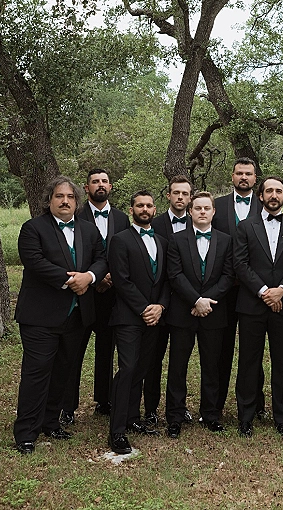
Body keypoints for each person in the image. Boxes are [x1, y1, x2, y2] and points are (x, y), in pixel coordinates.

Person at [13, 176, 107, 454]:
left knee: (64, 372)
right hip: (41, 315)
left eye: (70, 197)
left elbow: (102, 258)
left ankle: (50, 422)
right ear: (49, 200)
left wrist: (89, 276)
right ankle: (26, 433)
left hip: (77, 317)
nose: (65, 201)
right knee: (37, 373)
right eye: (59, 196)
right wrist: (71, 280)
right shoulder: (33, 228)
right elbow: (34, 261)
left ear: (77, 202)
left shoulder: (88, 231)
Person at [234, 176, 283, 437]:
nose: (273, 195)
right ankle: (246, 417)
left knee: (282, 360)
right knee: (249, 361)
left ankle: (281, 416)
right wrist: (265, 292)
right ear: (260, 196)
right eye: (268, 191)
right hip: (252, 304)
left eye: (278, 191)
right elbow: (240, 264)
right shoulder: (245, 226)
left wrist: (282, 291)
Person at [60, 168, 129, 425]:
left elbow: (125, 251)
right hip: (85, 292)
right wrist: (95, 277)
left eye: (104, 181)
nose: (100, 185)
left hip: (113, 294)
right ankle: (68, 405)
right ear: (86, 188)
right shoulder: (75, 216)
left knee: (106, 350)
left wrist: (111, 276)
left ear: (110, 187)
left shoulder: (122, 218)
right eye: (95, 182)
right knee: (75, 350)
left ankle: (104, 400)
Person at [165, 191, 235, 437]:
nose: (202, 212)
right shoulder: (176, 239)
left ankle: (211, 414)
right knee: (177, 366)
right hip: (183, 312)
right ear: (190, 212)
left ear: (214, 212)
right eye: (198, 208)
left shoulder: (226, 240)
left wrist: (207, 301)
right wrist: (195, 300)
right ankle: (174, 416)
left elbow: (228, 275)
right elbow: (174, 275)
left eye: (207, 208)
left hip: (214, 313)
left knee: (212, 365)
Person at [108, 190, 170, 454]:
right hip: (129, 317)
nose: (145, 209)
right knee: (129, 369)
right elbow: (121, 280)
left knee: (141, 369)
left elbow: (167, 279)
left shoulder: (162, 241)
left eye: (149, 206)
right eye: (139, 205)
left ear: (155, 210)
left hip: (154, 316)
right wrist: (145, 308)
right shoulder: (120, 240)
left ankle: (133, 419)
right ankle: (117, 431)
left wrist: (160, 307)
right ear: (131, 209)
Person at [212, 157, 264, 416]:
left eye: (249, 174)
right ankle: (216, 405)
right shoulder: (217, 207)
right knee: (222, 348)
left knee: (252, 349)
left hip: (254, 290)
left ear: (256, 178)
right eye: (239, 173)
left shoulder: (264, 207)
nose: (244, 177)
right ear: (232, 176)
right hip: (223, 288)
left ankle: (256, 404)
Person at [142, 175, 193, 426]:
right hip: (160, 302)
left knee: (180, 362)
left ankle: (178, 407)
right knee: (153, 358)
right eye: (176, 193)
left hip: (187, 305)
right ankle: (150, 408)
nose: (180, 197)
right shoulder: (157, 224)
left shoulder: (200, 223)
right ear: (168, 196)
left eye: (185, 193)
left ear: (190, 197)